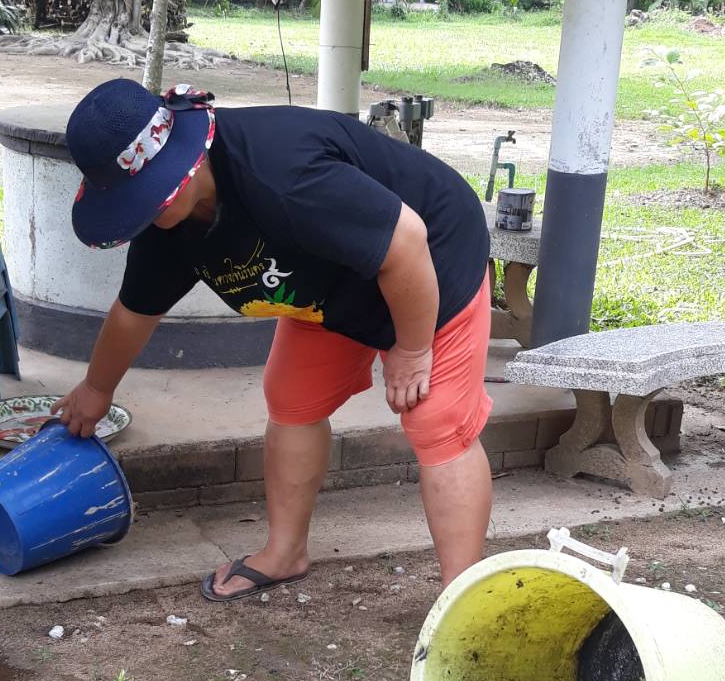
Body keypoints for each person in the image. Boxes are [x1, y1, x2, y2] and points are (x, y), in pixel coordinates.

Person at [53, 77, 494, 601]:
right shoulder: (169, 226)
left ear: (186, 160)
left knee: (436, 419)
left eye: (148, 194)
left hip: (430, 259)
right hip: (332, 281)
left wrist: (413, 349)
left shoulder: (280, 171)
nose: (142, 211)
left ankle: (462, 603)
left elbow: (406, 240)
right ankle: (285, 552)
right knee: (291, 396)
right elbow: (133, 313)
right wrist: (96, 389)